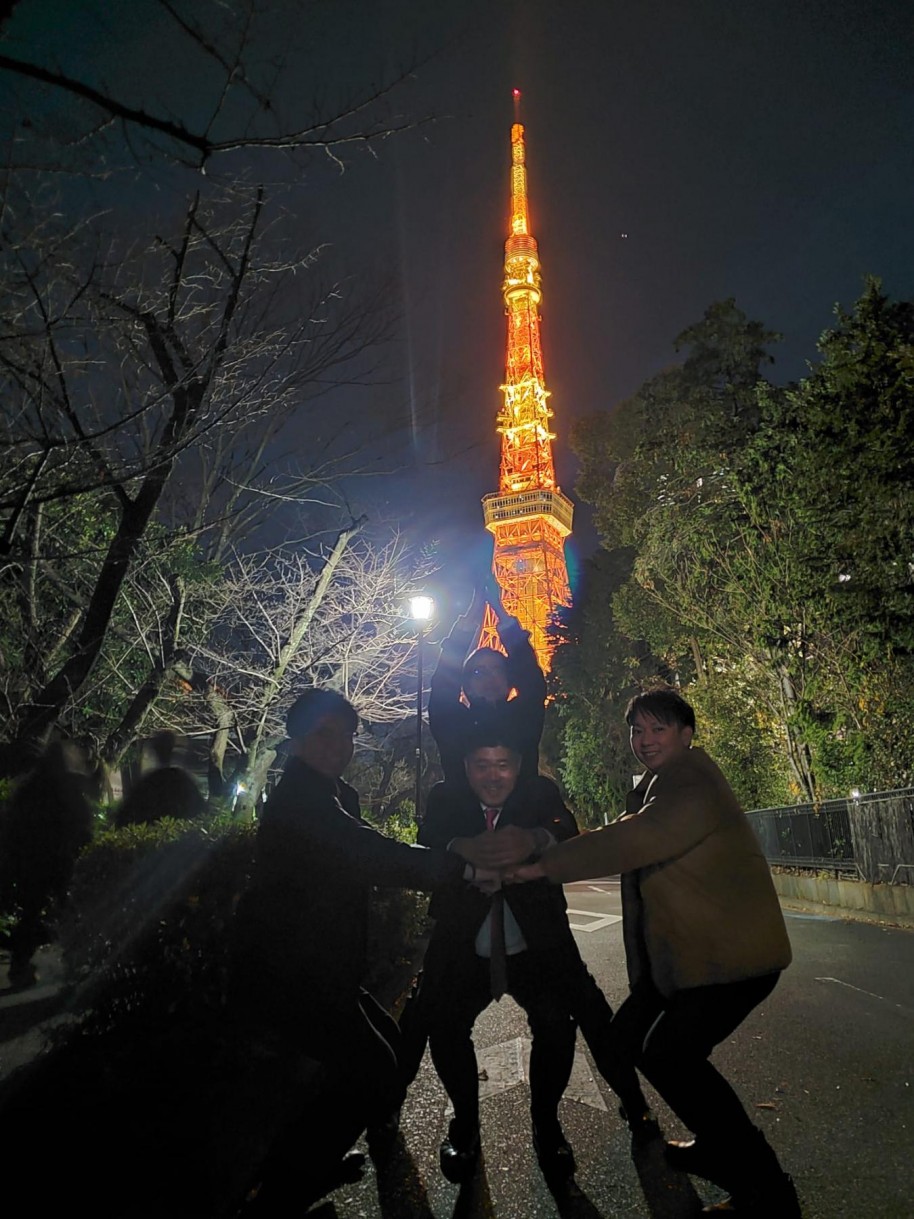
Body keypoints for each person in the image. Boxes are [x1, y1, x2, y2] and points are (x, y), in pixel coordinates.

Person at [509, 688, 799, 1218]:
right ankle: (717, 1144)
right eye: (637, 730)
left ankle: (766, 1188)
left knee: (669, 1055)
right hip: (689, 963)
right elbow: (632, 836)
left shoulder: (691, 782)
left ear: (685, 735)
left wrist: (543, 866)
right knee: (628, 1042)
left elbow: (637, 838)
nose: (644, 740)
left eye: (657, 729)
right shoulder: (658, 785)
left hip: (731, 960)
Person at [229, 688, 493, 1213]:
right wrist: (455, 866)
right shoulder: (301, 802)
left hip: (321, 968)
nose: (339, 746)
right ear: (296, 740)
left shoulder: (332, 794)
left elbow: (368, 849)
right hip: (288, 972)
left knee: (383, 1047)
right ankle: (277, 1197)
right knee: (372, 1068)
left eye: (346, 735)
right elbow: (367, 852)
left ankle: (304, 1164)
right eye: (324, 735)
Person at [413, 729, 651, 1188]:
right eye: (482, 765)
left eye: (503, 764)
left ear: (519, 766)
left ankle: (549, 1125)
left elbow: (566, 828)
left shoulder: (539, 792)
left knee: (561, 1023)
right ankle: (464, 1127)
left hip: (538, 940)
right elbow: (427, 840)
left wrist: (535, 837)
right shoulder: (444, 797)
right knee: (442, 1026)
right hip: (463, 940)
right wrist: (460, 849)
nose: (493, 776)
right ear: (465, 767)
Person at [428, 575, 545, 792]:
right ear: (465, 685)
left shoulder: (523, 718)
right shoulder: (454, 724)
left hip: (520, 810)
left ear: (511, 681)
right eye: (479, 672)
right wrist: (469, 621)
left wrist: (501, 611)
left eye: (497, 670)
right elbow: (443, 691)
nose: (490, 678)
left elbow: (531, 683)